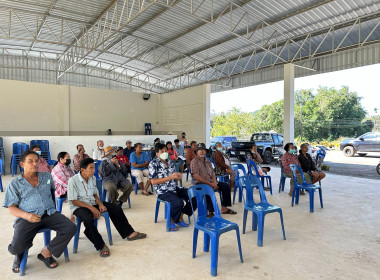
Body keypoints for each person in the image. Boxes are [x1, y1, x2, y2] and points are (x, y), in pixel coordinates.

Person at [3, 150, 76, 273]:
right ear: (22, 164)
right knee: (16, 247)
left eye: (36, 161)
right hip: (28, 216)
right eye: (30, 161)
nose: (34, 164)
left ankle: (46, 252)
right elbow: (11, 207)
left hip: (49, 213)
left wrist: (54, 207)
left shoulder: (47, 177)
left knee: (70, 228)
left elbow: (53, 192)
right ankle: (19, 254)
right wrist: (27, 215)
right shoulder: (15, 184)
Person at [68, 158, 146, 257]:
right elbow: (73, 201)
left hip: (93, 203)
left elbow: (95, 194)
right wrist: (92, 208)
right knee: (88, 219)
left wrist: (100, 204)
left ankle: (129, 233)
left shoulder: (92, 178)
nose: (94, 171)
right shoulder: (73, 181)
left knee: (116, 208)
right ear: (83, 169)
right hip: (79, 206)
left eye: (94, 168)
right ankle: (101, 245)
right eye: (91, 168)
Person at [149, 144, 195, 231]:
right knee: (179, 203)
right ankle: (171, 220)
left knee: (194, 196)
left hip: (174, 188)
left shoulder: (170, 163)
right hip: (163, 191)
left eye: (166, 151)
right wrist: (170, 177)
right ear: (157, 154)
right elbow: (153, 182)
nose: (165, 153)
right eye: (162, 152)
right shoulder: (153, 164)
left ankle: (180, 216)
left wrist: (177, 177)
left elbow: (174, 180)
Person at [190, 143, 236, 216]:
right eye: (199, 150)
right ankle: (210, 211)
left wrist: (214, 182)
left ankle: (224, 208)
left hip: (211, 181)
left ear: (205, 152)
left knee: (226, 186)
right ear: (196, 152)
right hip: (199, 183)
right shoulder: (194, 162)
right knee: (208, 188)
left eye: (203, 150)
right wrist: (210, 184)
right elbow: (196, 176)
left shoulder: (208, 161)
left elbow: (212, 174)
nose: (201, 152)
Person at [51, 152, 75, 221]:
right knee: (78, 193)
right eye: (67, 158)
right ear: (61, 159)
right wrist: (76, 187)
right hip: (61, 190)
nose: (69, 159)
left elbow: (74, 177)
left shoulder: (68, 167)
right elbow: (65, 183)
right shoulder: (57, 169)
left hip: (70, 187)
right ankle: (73, 214)